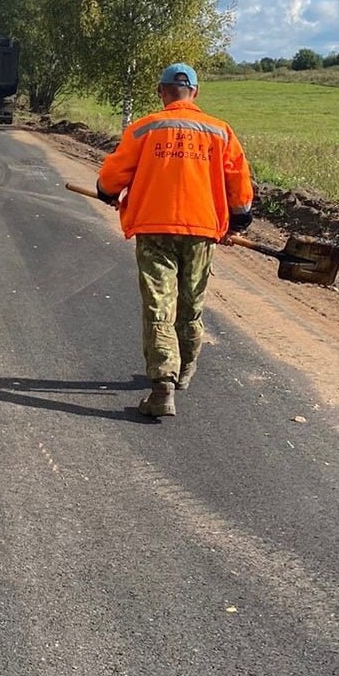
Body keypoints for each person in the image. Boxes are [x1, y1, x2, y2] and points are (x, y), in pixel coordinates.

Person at [96, 63, 254, 418]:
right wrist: (238, 221)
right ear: (195, 92)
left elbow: (112, 175)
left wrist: (106, 192)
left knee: (159, 306)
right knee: (191, 304)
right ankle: (184, 371)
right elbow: (239, 186)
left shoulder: (144, 128)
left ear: (161, 91)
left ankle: (162, 387)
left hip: (155, 229)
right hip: (201, 232)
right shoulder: (220, 131)